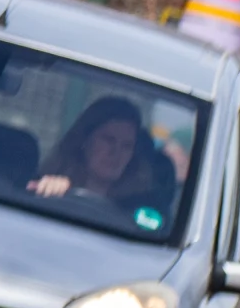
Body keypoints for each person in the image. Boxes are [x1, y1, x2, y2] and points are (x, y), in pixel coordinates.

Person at [31, 95, 179, 222]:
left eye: (126, 146)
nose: (116, 152)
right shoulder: (46, 186)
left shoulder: (142, 212)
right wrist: (48, 193)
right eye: (109, 140)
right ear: (84, 140)